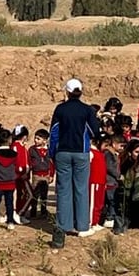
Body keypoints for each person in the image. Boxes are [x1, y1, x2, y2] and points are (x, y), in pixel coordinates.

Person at [49, 78, 101, 247]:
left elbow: (54, 133)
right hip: (81, 152)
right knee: (81, 188)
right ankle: (82, 226)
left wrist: (52, 154)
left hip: (62, 152)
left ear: (67, 91)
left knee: (63, 189)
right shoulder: (87, 110)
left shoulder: (60, 109)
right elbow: (95, 131)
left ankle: (64, 225)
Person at [0, 128, 20, 230]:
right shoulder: (14, 154)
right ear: (10, 140)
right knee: (9, 203)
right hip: (10, 182)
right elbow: (17, 167)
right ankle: (10, 222)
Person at [28, 128, 54, 219]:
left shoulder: (49, 150)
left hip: (46, 175)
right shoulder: (32, 150)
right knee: (34, 194)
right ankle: (33, 211)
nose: (35, 140)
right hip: (36, 175)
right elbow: (29, 162)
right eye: (35, 138)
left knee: (44, 195)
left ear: (45, 140)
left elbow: (51, 164)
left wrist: (51, 175)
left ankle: (43, 211)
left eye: (38, 138)